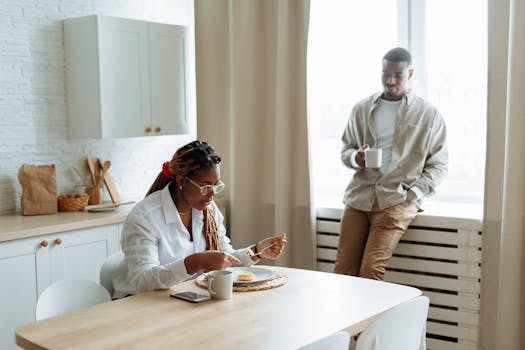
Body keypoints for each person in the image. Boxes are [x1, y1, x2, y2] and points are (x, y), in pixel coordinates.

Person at [113, 140, 287, 298]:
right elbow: (143, 281)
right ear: (181, 180)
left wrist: (256, 251)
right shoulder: (145, 217)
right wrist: (194, 263)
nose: (212, 193)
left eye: (216, 185)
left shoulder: (207, 210)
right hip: (137, 303)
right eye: (205, 186)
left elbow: (224, 259)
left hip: (180, 298)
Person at [334, 47, 448, 280]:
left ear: (411, 73)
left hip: (396, 200)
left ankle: (373, 318)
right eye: (386, 73)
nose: (390, 80)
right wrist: (356, 158)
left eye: (398, 75)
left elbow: (439, 164)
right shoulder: (361, 109)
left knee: (371, 272)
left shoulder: (429, 114)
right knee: (342, 272)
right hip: (359, 198)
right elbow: (346, 149)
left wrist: (413, 193)